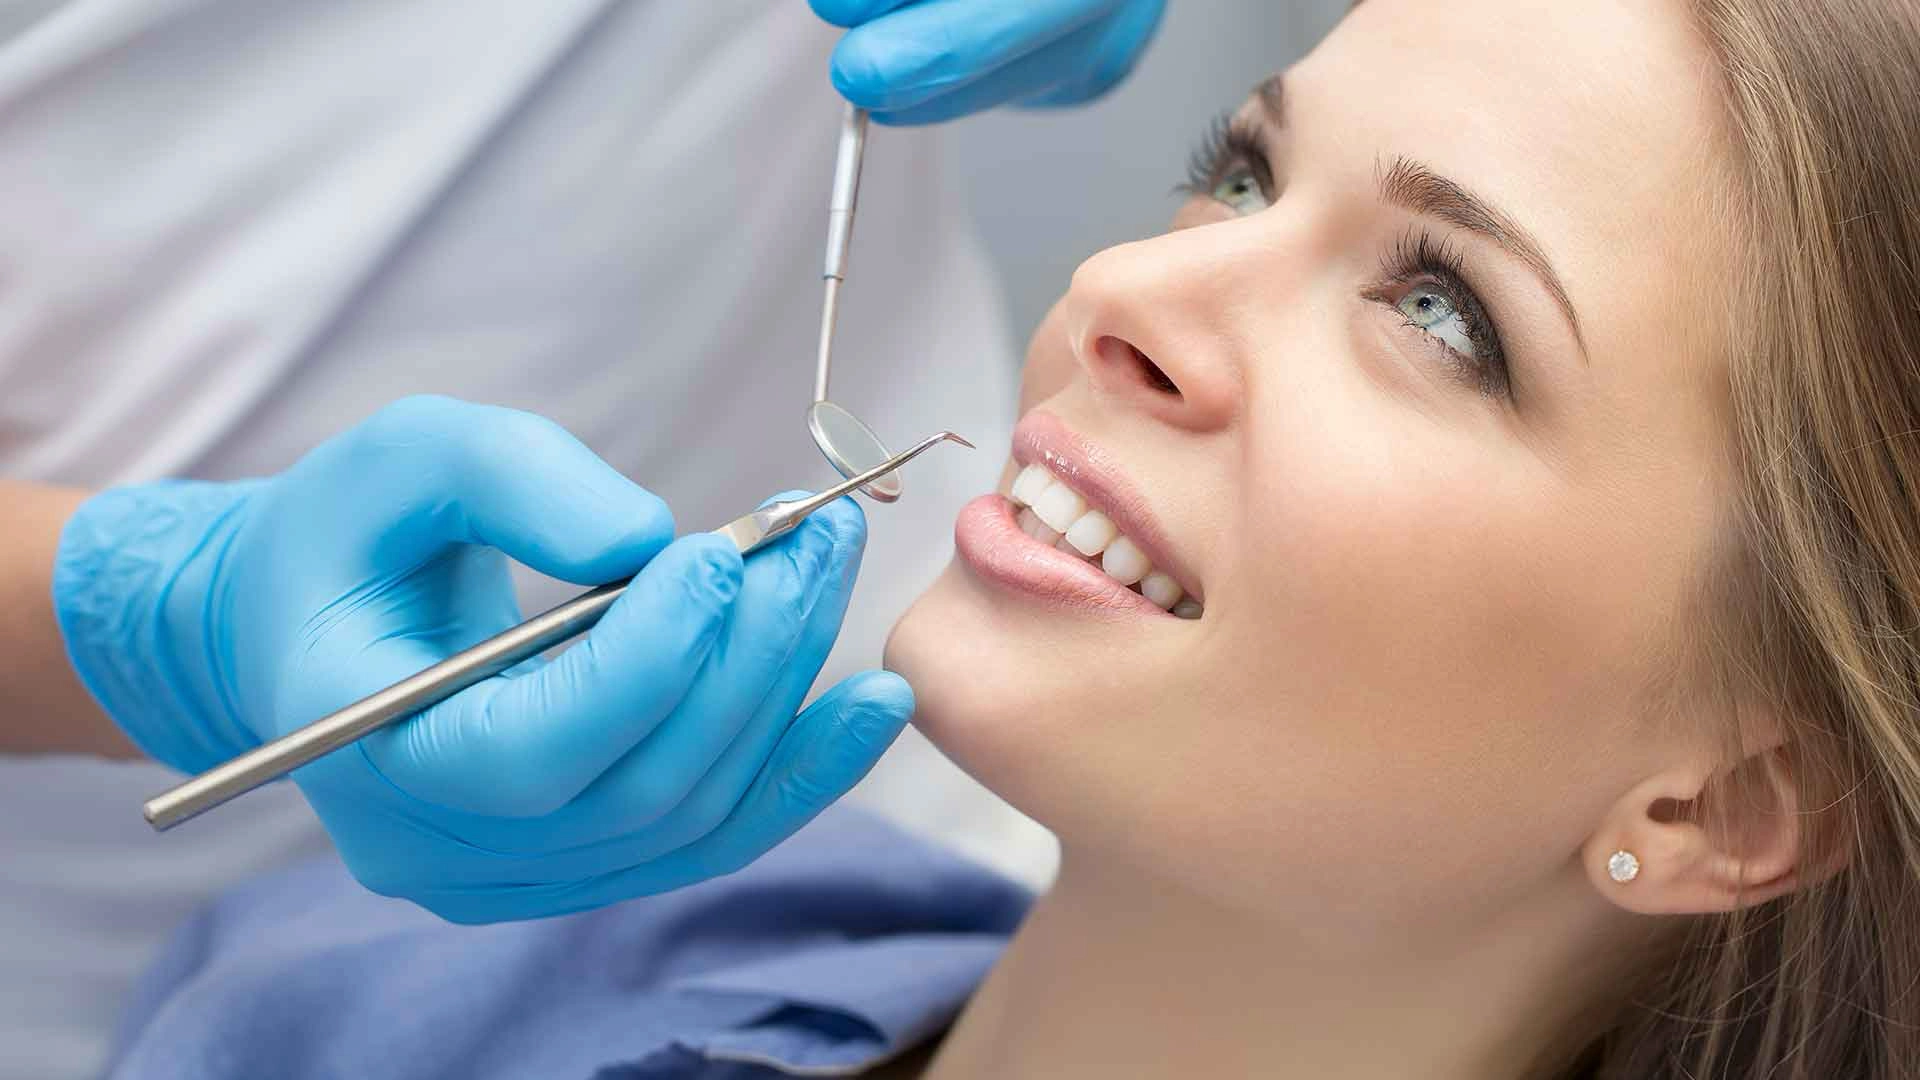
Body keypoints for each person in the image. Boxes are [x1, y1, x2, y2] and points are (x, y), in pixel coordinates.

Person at [104, 0, 1920, 1076]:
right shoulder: (384, 1004)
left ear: (1728, 807)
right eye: (1243, 171)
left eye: (1443, 312)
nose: (1122, 287)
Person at [0, 1, 1163, 1077]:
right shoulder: (280, 1002)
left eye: (1360, 283)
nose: (1123, 281)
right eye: (1248, 180)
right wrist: (165, 613)